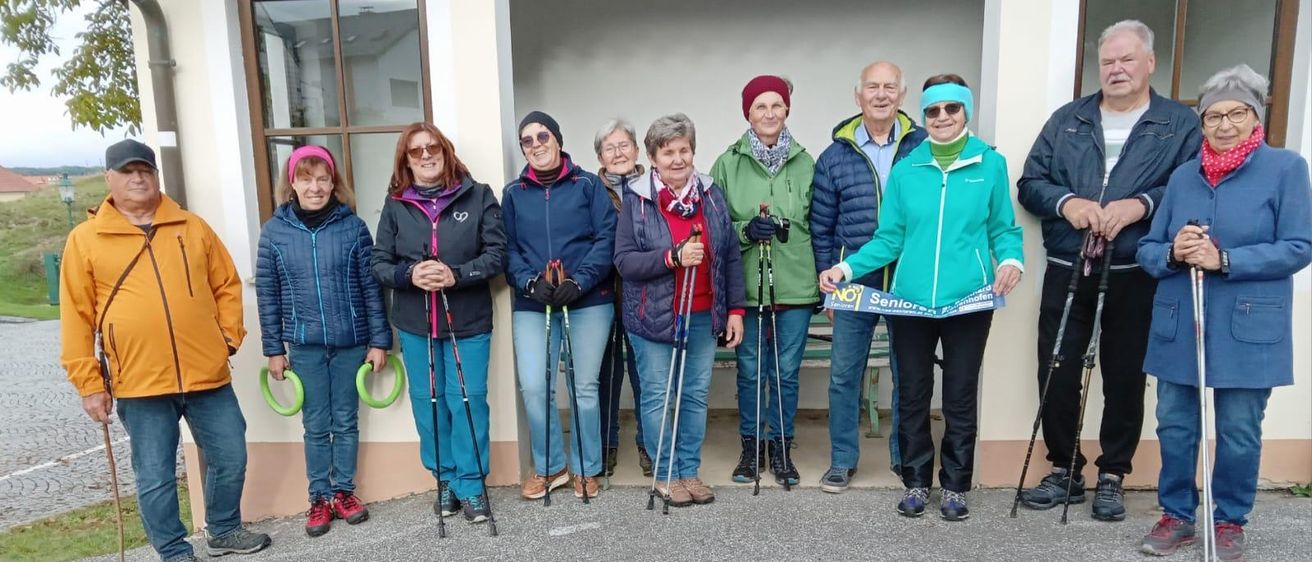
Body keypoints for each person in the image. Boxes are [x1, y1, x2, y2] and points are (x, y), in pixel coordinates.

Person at [1016, 19, 1202, 521]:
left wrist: (1140, 205)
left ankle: (1114, 473)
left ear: (1149, 64)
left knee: (1123, 375)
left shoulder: (1178, 123)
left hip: (1135, 268)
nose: (1116, 69)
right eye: (1107, 62)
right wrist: (1067, 203)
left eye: (1126, 59)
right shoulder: (1068, 118)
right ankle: (1063, 468)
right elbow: (1030, 183)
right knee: (1056, 367)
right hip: (1068, 263)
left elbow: (1192, 187)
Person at [818, 75, 1023, 521]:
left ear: (965, 112)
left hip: (969, 302)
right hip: (910, 301)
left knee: (959, 395)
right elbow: (888, 238)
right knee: (912, 393)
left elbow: (1003, 228)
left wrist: (1012, 261)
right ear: (925, 116)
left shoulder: (989, 163)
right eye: (933, 111)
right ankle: (915, 481)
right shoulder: (908, 169)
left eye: (951, 109)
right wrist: (846, 268)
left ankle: (954, 486)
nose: (942, 118)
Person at [60, 139, 271, 561]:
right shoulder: (86, 239)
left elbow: (226, 285)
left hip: (207, 373)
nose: (137, 178)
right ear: (109, 179)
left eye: (145, 170)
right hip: (138, 381)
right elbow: (76, 319)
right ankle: (173, 549)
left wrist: (226, 338)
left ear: (155, 175)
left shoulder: (192, 227)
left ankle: (224, 529)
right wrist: (88, 384)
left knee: (231, 454)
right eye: (127, 171)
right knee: (155, 474)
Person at [1136, 64, 1312, 561]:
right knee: (1175, 423)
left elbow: (1300, 246)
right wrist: (1174, 250)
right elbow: (1149, 250)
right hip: (1181, 322)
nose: (1224, 124)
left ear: (1256, 118)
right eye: (1213, 115)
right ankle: (1176, 515)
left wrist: (1226, 259)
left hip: (1249, 325)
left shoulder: (1286, 168)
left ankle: (1229, 520)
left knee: (1237, 429)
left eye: (1237, 113)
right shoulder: (1183, 175)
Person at [371, 123, 505, 524]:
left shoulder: (478, 196)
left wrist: (457, 275)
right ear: (405, 161)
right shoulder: (396, 205)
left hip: (468, 321)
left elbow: (498, 255)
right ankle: (444, 478)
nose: (426, 156)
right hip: (415, 324)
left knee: (466, 400)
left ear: (445, 152)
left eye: (433, 148)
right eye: (416, 152)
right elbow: (379, 262)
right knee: (428, 404)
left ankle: (472, 484)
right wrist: (408, 275)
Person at [255, 146, 390, 536]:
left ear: (334, 183)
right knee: (315, 424)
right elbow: (268, 293)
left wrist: (379, 340)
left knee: (346, 421)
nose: (314, 187)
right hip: (304, 344)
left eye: (322, 179)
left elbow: (371, 288)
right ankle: (319, 497)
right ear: (292, 183)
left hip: (351, 343)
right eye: (306, 178)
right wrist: (274, 350)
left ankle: (345, 492)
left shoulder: (354, 227)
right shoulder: (275, 231)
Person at [615, 113, 746, 507]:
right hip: (652, 317)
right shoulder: (636, 200)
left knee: (694, 396)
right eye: (667, 152)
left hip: (704, 313)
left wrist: (735, 310)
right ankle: (665, 473)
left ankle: (689, 470)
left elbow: (731, 255)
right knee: (656, 396)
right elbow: (624, 261)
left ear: (693, 151)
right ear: (653, 157)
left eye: (683, 150)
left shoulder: (711, 194)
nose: (677, 159)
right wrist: (672, 257)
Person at [810, 61, 927, 493]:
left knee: (908, 372)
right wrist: (828, 290)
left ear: (903, 94)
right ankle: (842, 460)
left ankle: (905, 461)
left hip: (908, 279)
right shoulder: (834, 155)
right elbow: (821, 229)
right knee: (844, 375)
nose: (881, 94)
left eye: (889, 87)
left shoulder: (923, 147)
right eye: (872, 87)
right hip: (852, 282)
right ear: (857, 95)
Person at [503, 111, 617, 500]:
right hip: (535, 302)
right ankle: (551, 467)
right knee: (536, 386)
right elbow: (509, 248)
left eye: (543, 136)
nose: (536, 145)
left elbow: (607, 238)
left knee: (583, 386)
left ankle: (587, 468)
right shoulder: (514, 193)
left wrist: (580, 280)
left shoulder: (587, 185)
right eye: (527, 140)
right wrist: (530, 283)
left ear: (558, 139)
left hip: (587, 300)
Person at [710, 75, 817, 487]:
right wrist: (744, 230)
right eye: (760, 106)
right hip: (748, 288)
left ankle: (782, 446)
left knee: (786, 372)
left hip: (795, 284)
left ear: (787, 109)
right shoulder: (727, 162)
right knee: (751, 371)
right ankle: (752, 446)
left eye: (777, 105)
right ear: (748, 114)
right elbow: (717, 225)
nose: (769, 113)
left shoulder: (807, 162)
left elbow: (817, 223)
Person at [593, 119, 653, 478]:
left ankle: (648, 444)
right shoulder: (589, 189)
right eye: (609, 147)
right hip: (602, 292)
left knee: (645, 373)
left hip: (645, 292)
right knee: (606, 373)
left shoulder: (653, 185)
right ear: (600, 155)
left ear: (637, 149)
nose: (618, 153)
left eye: (624, 145)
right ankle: (606, 444)